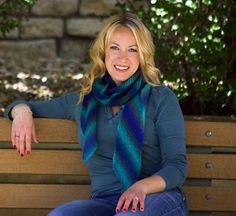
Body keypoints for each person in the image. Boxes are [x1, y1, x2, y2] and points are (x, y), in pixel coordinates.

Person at [4, 13, 188, 216]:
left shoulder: (161, 97)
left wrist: (141, 187)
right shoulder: (84, 101)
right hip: (106, 202)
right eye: (114, 47)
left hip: (155, 199)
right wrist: (21, 112)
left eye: (132, 50)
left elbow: (177, 167)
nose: (122, 57)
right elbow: (23, 106)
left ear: (143, 55)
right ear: (103, 52)